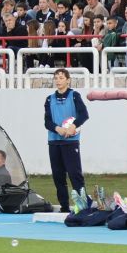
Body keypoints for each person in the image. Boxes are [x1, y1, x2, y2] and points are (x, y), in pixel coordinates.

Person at [43, 68, 89, 212]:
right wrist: (58, 129)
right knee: (58, 175)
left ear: (68, 80)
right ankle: (64, 206)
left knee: (74, 173)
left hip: (70, 141)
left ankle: (83, 204)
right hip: (54, 141)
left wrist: (73, 126)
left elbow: (84, 114)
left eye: (61, 78)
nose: (58, 80)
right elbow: (47, 122)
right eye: (56, 78)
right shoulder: (50, 99)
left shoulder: (74, 96)